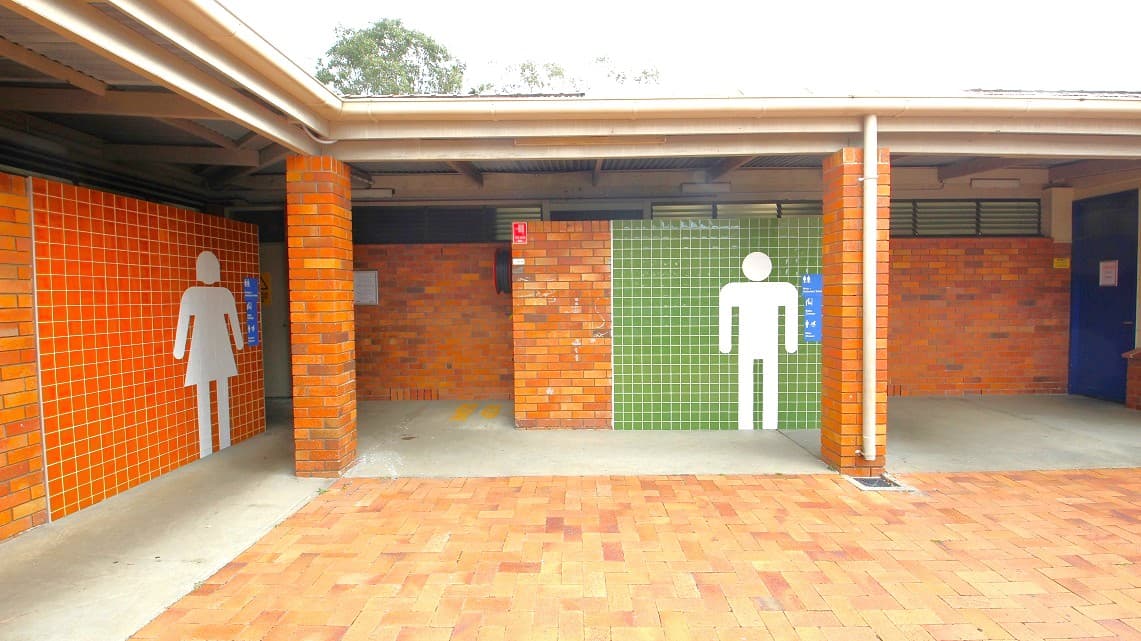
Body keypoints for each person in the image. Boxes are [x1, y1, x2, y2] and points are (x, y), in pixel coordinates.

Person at [174, 251, 244, 458]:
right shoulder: (221, 294)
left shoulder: (194, 294)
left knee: (206, 392)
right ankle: (220, 441)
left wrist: (180, 350)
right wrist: (239, 343)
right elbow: (233, 322)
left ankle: (211, 443)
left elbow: (184, 323)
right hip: (217, 345)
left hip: (203, 346)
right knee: (217, 390)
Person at [719, 251, 798, 430]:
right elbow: (791, 313)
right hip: (768, 343)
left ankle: (748, 424)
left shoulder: (734, 289)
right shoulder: (782, 289)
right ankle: (767, 425)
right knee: (769, 382)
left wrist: (726, 344)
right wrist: (789, 343)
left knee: (747, 382)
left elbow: (726, 314)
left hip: (748, 343)